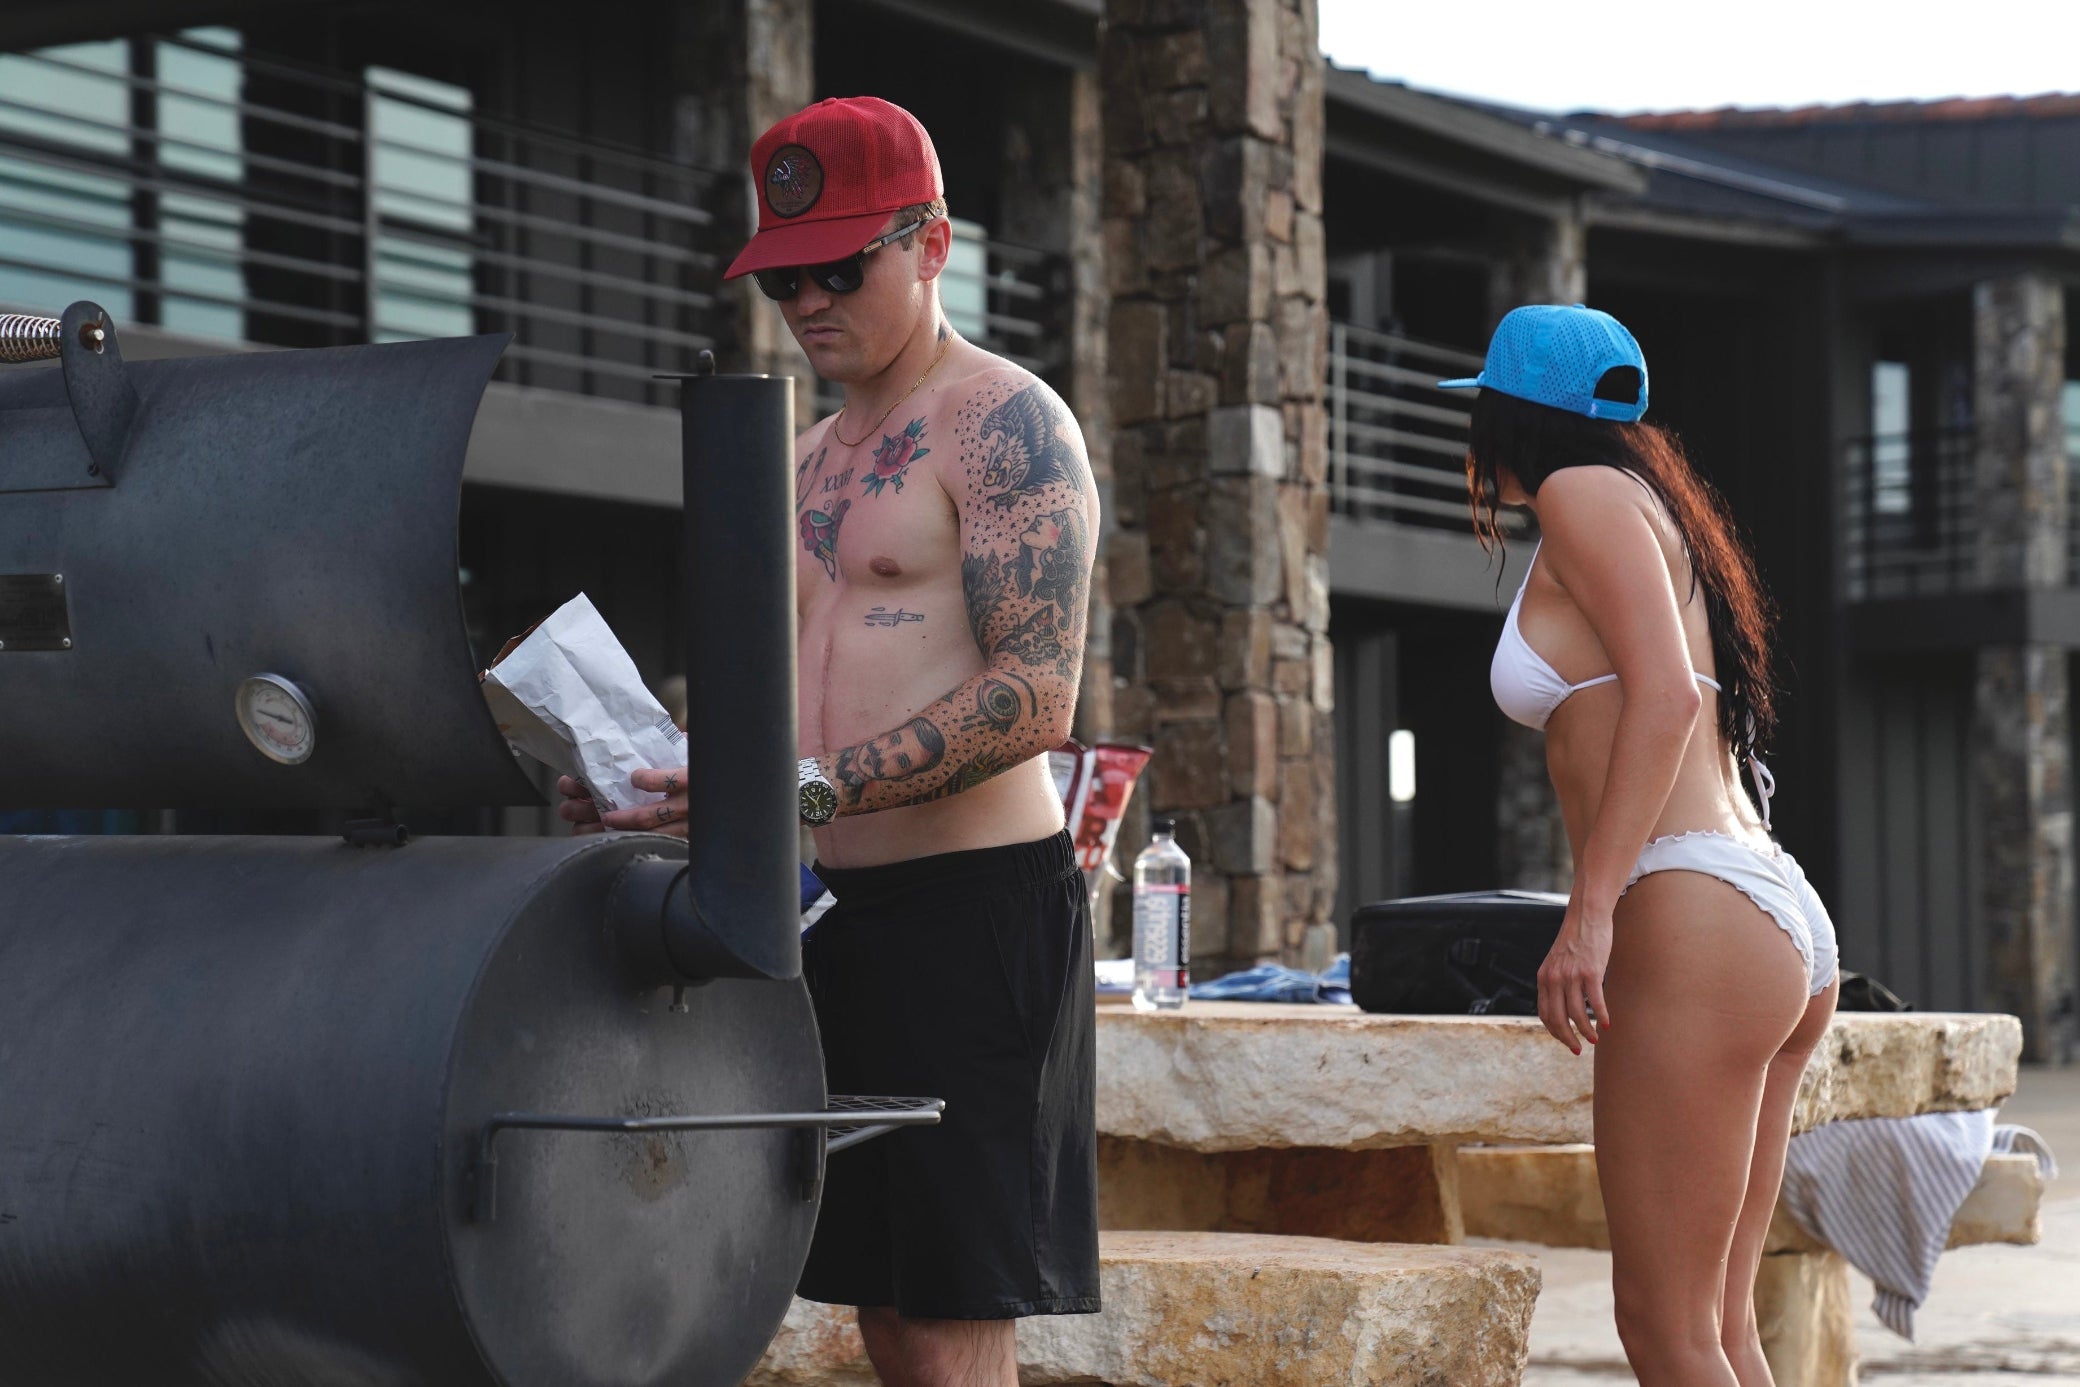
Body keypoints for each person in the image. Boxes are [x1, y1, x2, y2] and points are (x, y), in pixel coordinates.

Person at [559, 96, 1101, 1387]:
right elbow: (792, 703)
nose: (807, 300)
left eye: (840, 268)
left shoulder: (1006, 424)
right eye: (783, 275)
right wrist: (669, 778)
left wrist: (797, 786)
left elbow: (1035, 695)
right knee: (884, 1306)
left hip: (974, 912)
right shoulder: (802, 457)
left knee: (955, 1317)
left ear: (933, 244)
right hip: (833, 910)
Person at [1443, 305, 1840, 1387]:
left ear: (1507, 416)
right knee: (1719, 1331)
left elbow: (1663, 700)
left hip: (1694, 911)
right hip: (1757, 910)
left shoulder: (1579, 496)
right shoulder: (1646, 505)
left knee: (1667, 1334)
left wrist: (1590, 912)